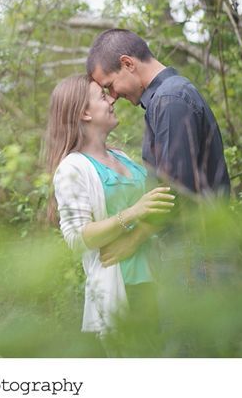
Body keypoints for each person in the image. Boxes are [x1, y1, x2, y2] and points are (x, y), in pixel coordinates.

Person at [45, 74, 175, 335]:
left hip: (161, 280)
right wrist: (133, 212)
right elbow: (77, 238)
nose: (112, 100)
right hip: (125, 290)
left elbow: (159, 206)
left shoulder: (122, 157)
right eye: (103, 97)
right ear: (84, 113)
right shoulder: (72, 168)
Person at [85, 29, 230, 197]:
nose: (114, 96)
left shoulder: (170, 100)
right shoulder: (169, 96)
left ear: (128, 64)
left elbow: (176, 193)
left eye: (110, 85)